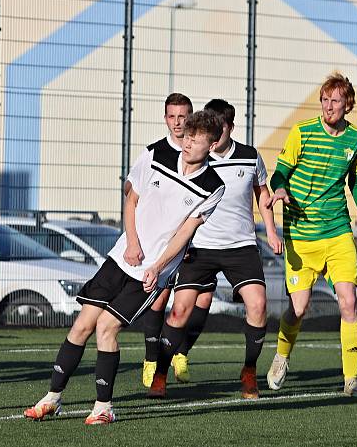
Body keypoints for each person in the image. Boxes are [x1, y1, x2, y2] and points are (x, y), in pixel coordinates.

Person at [23, 110, 225, 425]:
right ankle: (52, 398)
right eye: (186, 136)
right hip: (120, 258)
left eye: (196, 140)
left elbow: (186, 231)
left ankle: (103, 407)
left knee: (106, 328)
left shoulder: (213, 186)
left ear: (210, 146)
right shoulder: (156, 155)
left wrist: (157, 266)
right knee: (81, 326)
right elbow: (131, 201)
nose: (187, 144)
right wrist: (131, 243)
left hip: (150, 275)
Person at [145, 99, 283, 400]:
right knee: (179, 311)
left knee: (258, 305)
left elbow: (263, 193)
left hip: (241, 246)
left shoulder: (249, 157)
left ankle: (249, 371)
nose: (211, 137)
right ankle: (161, 371)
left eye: (217, 130)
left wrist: (271, 231)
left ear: (229, 127)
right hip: (200, 246)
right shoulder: (196, 158)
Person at [265, 73, 357, 397]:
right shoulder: (302, 132)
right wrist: (279, 190)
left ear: (348, 105)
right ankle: (281, 355)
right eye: (324, 99)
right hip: (300, 234)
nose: (328, 106)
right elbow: (281, 171)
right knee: (300, 308)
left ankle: (351, 380)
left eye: (335, 101)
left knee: (349, 302)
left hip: (337, 231)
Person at [135, 92, 197, 388]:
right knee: (157, 301)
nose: (177, 122)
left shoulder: (199, 155)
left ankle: (179, 354)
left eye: (183, 116)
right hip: (160, 246)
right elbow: (133, 193)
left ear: (191, 117)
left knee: (190, 304)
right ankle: (150, 361)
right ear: (165, 119)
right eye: (172, 116)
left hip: (192, 245)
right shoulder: (153, 153)